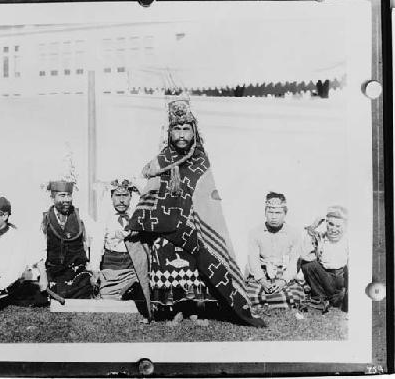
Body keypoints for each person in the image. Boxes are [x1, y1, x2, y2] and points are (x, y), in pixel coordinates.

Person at [127, 98, 265, 327]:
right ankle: (176, 310)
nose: (181, 134)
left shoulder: (200, 159)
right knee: (164, 254)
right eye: (176, 129)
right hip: (165, 226)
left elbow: (206, 196)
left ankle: (196, 310)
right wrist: (140, 220)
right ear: (169, 133)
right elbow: (151, 192)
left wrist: (195, 219)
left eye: (185, 129)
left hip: (193, 225)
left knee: (197, 262)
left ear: (194, 132)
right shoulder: (161, 160)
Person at [245, 192, 305, 310]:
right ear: (265, 212)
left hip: (283, 273)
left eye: (278, 213)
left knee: (294, 295)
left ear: (285, 213)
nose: (273, 217)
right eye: (270, 212)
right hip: (263, 273)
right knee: (250, 294)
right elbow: (253, 260)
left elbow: (294, 262)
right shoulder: (254, 233)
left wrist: (282, 281)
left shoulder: (294, 233)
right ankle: (271, 298)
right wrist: (263, 282)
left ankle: (269, 299)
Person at [39, 180, 94, 299]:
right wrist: (43, 277)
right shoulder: (44, 219)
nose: (67, 199)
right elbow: (39, 250)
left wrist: (93, 268)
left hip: (77, 273)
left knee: (84, 288)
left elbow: (92, 240)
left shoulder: (81, 215)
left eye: (69, 195)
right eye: (62, 195)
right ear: (52, 197)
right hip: (54, 272)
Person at [301, 205, 348, 312]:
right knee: (307, 264)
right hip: (325, 277)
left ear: (345, 226)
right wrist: (313, 226)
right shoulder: (321, 237)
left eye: (338, 226)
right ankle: (322, 298)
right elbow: (304, 255)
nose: (333, 229)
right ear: (326, 223)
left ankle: (337, 298)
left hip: (340, 279)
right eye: (331, 224)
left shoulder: (347, 240)